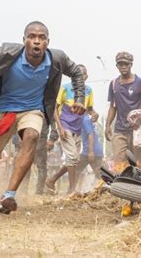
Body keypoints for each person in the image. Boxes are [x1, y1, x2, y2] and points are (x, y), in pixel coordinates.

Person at [0, 21, 85, 214]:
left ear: (47, 42)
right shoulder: (7, 52)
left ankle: (9, 195)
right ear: (24, 40)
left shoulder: (57, 59)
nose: (36, 41)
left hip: (33, 110)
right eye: (32, 37)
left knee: (31, 136)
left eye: (41, 37)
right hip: (5, 113)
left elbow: (76, 73)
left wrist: (79, 98)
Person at [46, 64, 97, 195]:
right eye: (77, 75)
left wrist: (94, 114)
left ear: (86, 76)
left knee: (72, 159)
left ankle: (52, 180)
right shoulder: (65, 88)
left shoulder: (89, 91)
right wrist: (60, 128)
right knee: (73, 157)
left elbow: (89, 109)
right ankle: (72, 189)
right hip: (65, 126)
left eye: (82, 75)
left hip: (78, 129)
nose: (80, 77)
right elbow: (55, 109)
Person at [105, 51, 141, 170]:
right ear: (117, 66)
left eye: (126, 64)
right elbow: (113, 107)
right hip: (120, 130)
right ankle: (120, 186)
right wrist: (107, 126)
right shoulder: (113, 84)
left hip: (138, 130)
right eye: (120, 64)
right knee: (119, 162)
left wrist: (140, 118)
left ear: (131, 64)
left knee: (140, 163)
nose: (123, 67)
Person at [75, 114, 104, 190]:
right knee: (100, 174)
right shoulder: (87, 120)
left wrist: (90, 152)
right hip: (96, 151)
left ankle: (71, 190)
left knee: (76, 171)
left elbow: (90, 135)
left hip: (90, 151)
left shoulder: (85, 119)